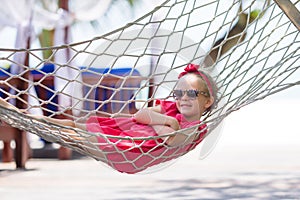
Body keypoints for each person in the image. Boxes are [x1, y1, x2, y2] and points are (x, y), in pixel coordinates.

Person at [0, 63, 217, 174]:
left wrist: (165, 123)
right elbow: (141, 114)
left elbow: (168, 140)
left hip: (129, 149)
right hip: (125, 128)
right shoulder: (170, 108)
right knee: (76, 124)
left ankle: (21, 118)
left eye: (192, 93)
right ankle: (23, 117)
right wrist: (169, 121)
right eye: (179, 93)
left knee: (76, 135)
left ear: (207, 101)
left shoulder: (197, 128)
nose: (183, 99)